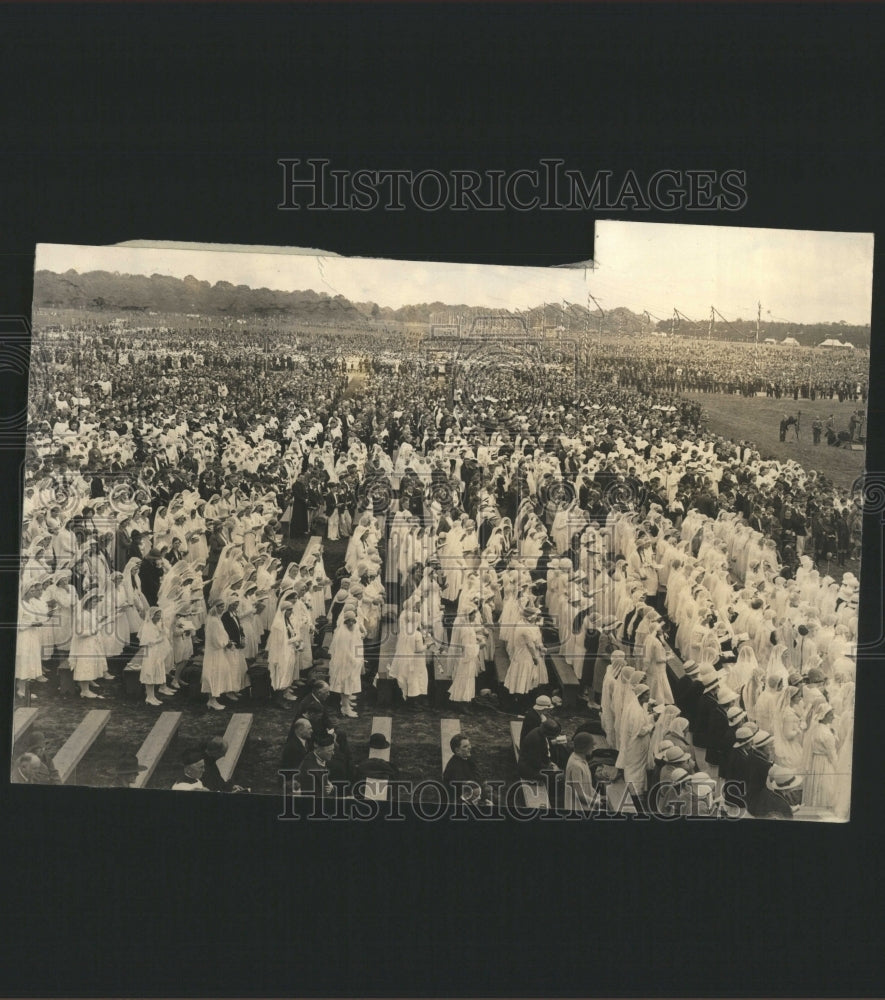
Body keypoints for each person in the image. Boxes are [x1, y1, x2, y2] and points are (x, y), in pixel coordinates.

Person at [563, 731, 598, 812]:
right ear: (585, 748)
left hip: (585, 807)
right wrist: (595, 802)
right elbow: (579, 794)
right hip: (577, 809)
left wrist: (597, 795)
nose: (593, 748)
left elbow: (587, 784)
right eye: (591, 746)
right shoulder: (576, 766)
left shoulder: (581, 759)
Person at [297, 730, 336, 799]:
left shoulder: (321, 758)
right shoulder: (309, 770)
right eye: (330, 751)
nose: (333, 753)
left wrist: (331, 786)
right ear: (319, 750)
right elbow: (314, 799)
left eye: (333, 749)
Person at [442, 733, 482, 800]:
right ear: (457, 750)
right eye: (465, 746)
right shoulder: (453, 767)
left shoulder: (469, 760)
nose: (470, 747)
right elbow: (464, 791)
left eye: (469, 745)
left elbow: (478, 781)